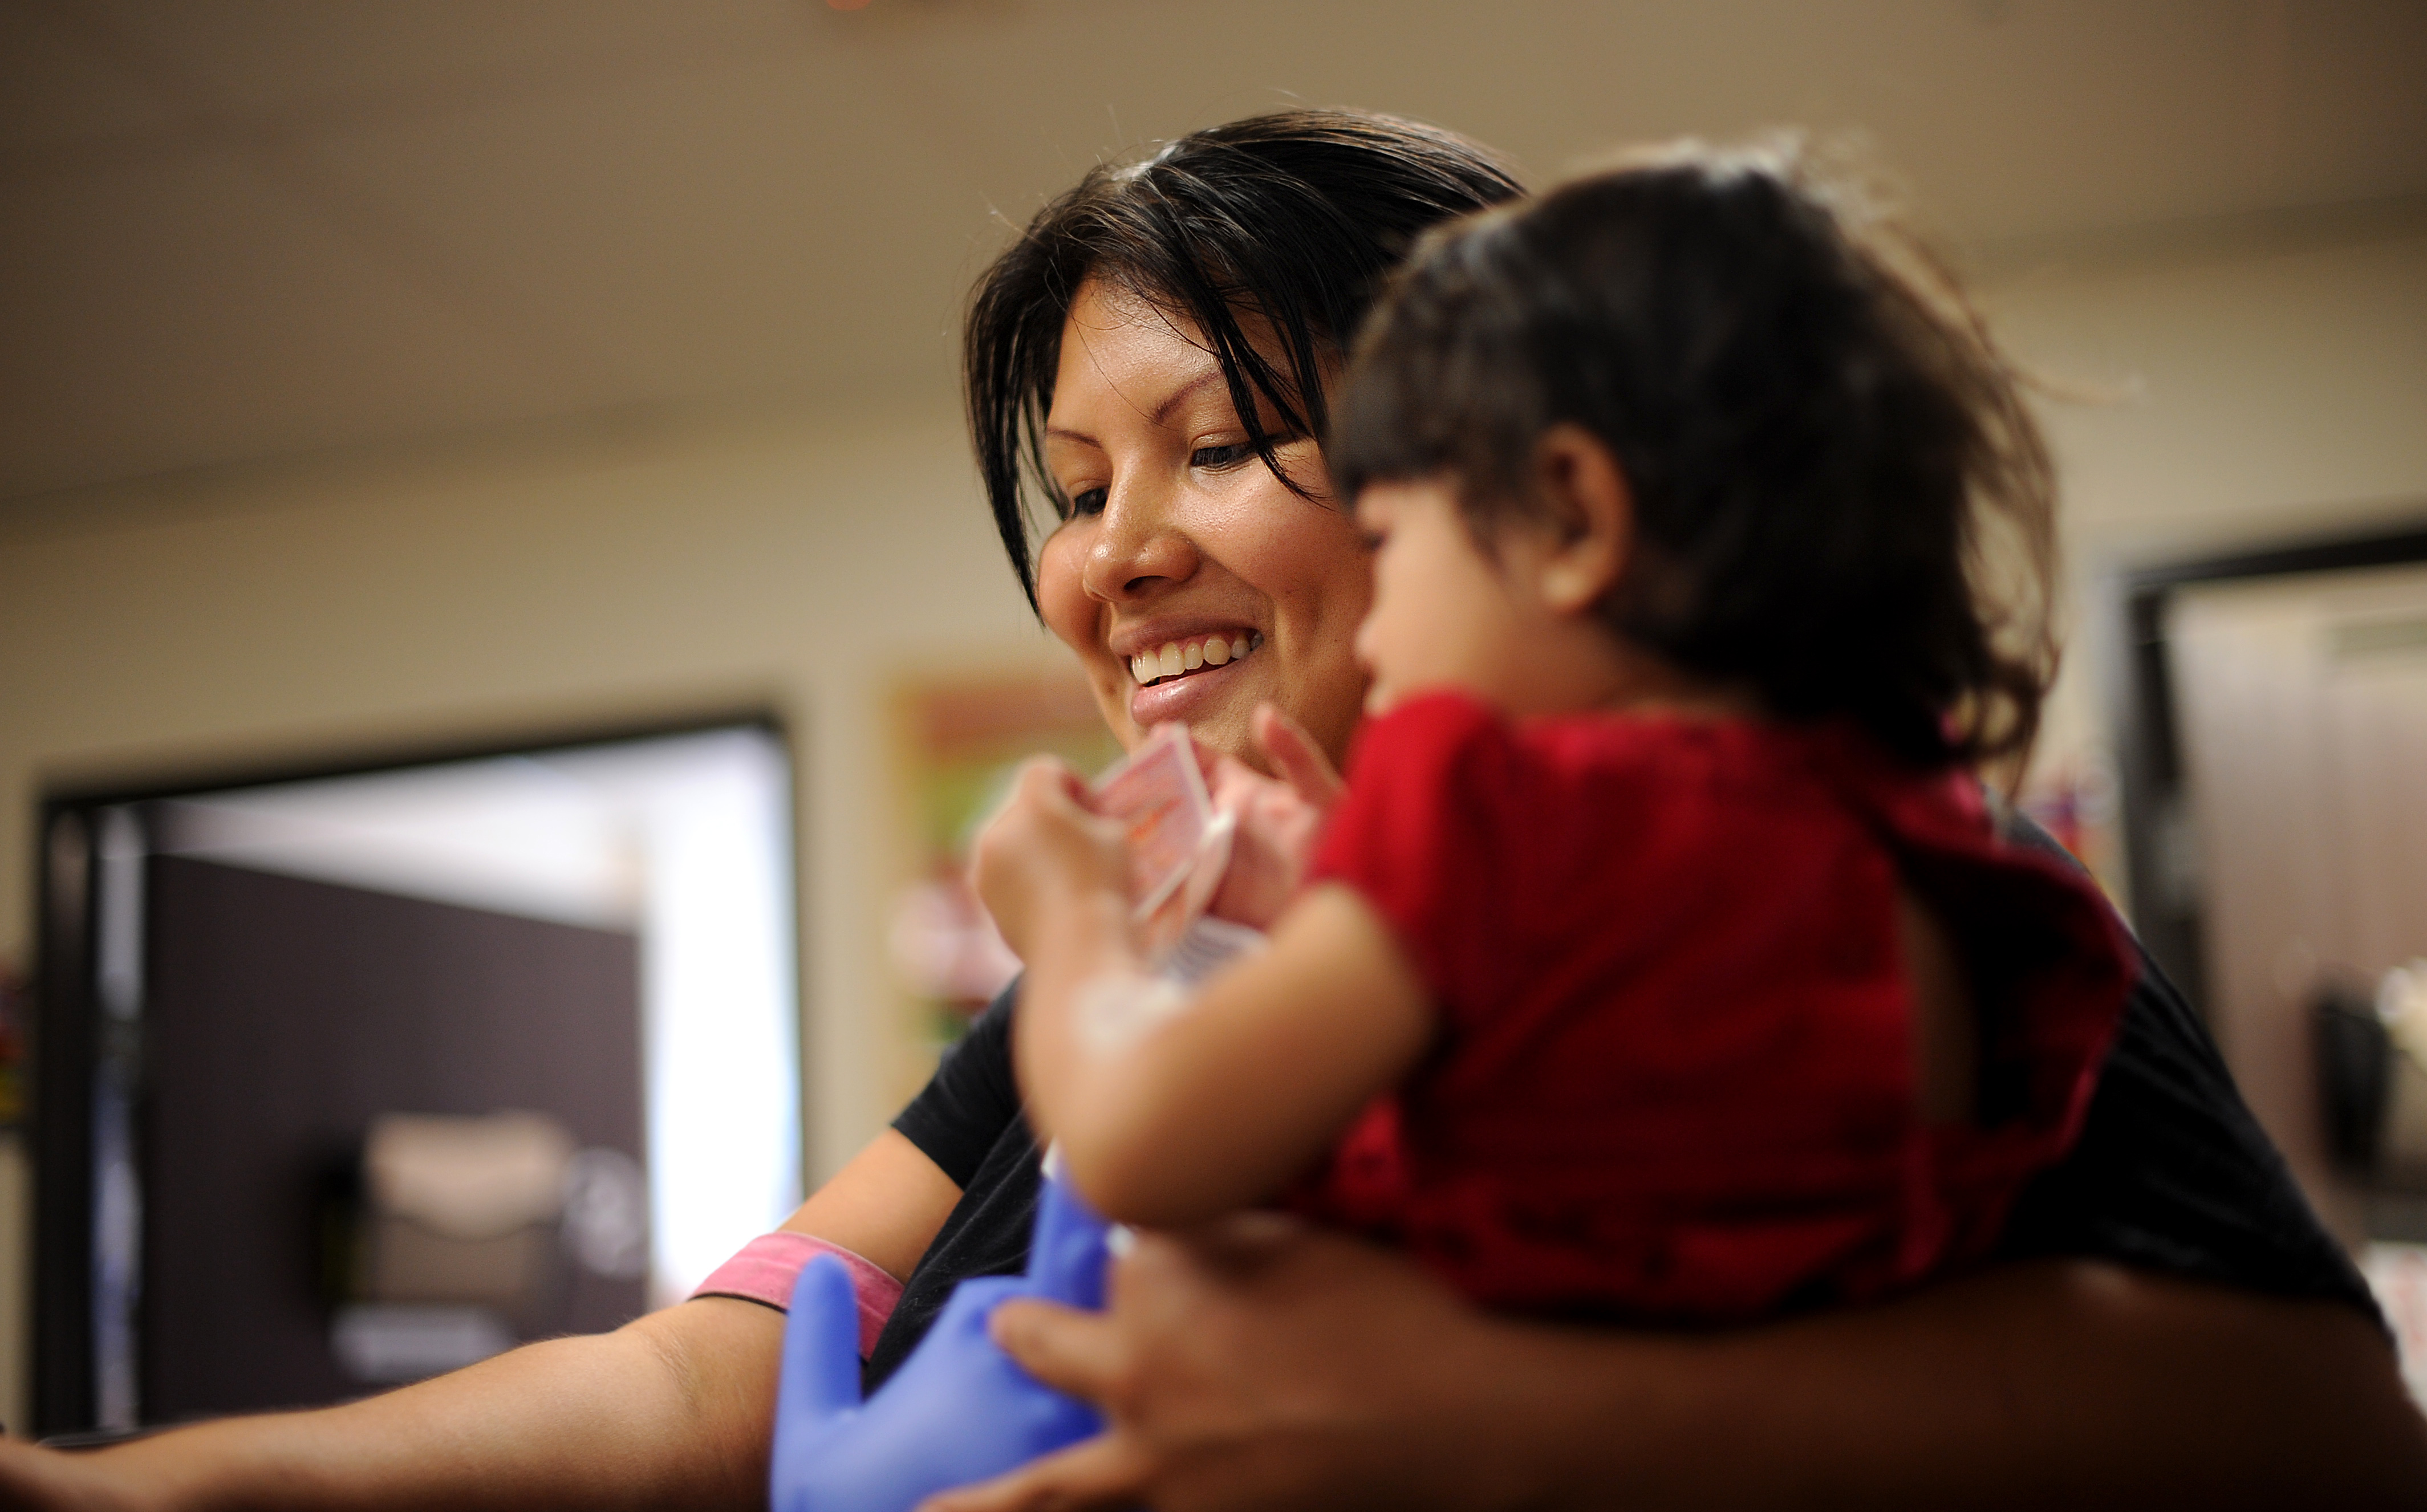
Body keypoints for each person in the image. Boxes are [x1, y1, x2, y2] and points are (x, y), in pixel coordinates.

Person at [1, 108, 2418, 1512]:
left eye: (1226, 439)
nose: (1111, 551)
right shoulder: (1190, 924)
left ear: (1521, 475)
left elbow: (2309, 1421)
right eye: (1069, 485)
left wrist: (1482, 1415)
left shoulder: (1849, 871)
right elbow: (711, 1367)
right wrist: (178, 1483)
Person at [969, 140, 2136, 1341]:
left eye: (1396, 522)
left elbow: (1137, 1143)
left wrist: (1073, 920)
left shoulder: (1480, 815)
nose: (1116, 555)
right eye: (1080, 494)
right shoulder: (1930, 873)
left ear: (1574, 519)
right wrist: (1343, 887)